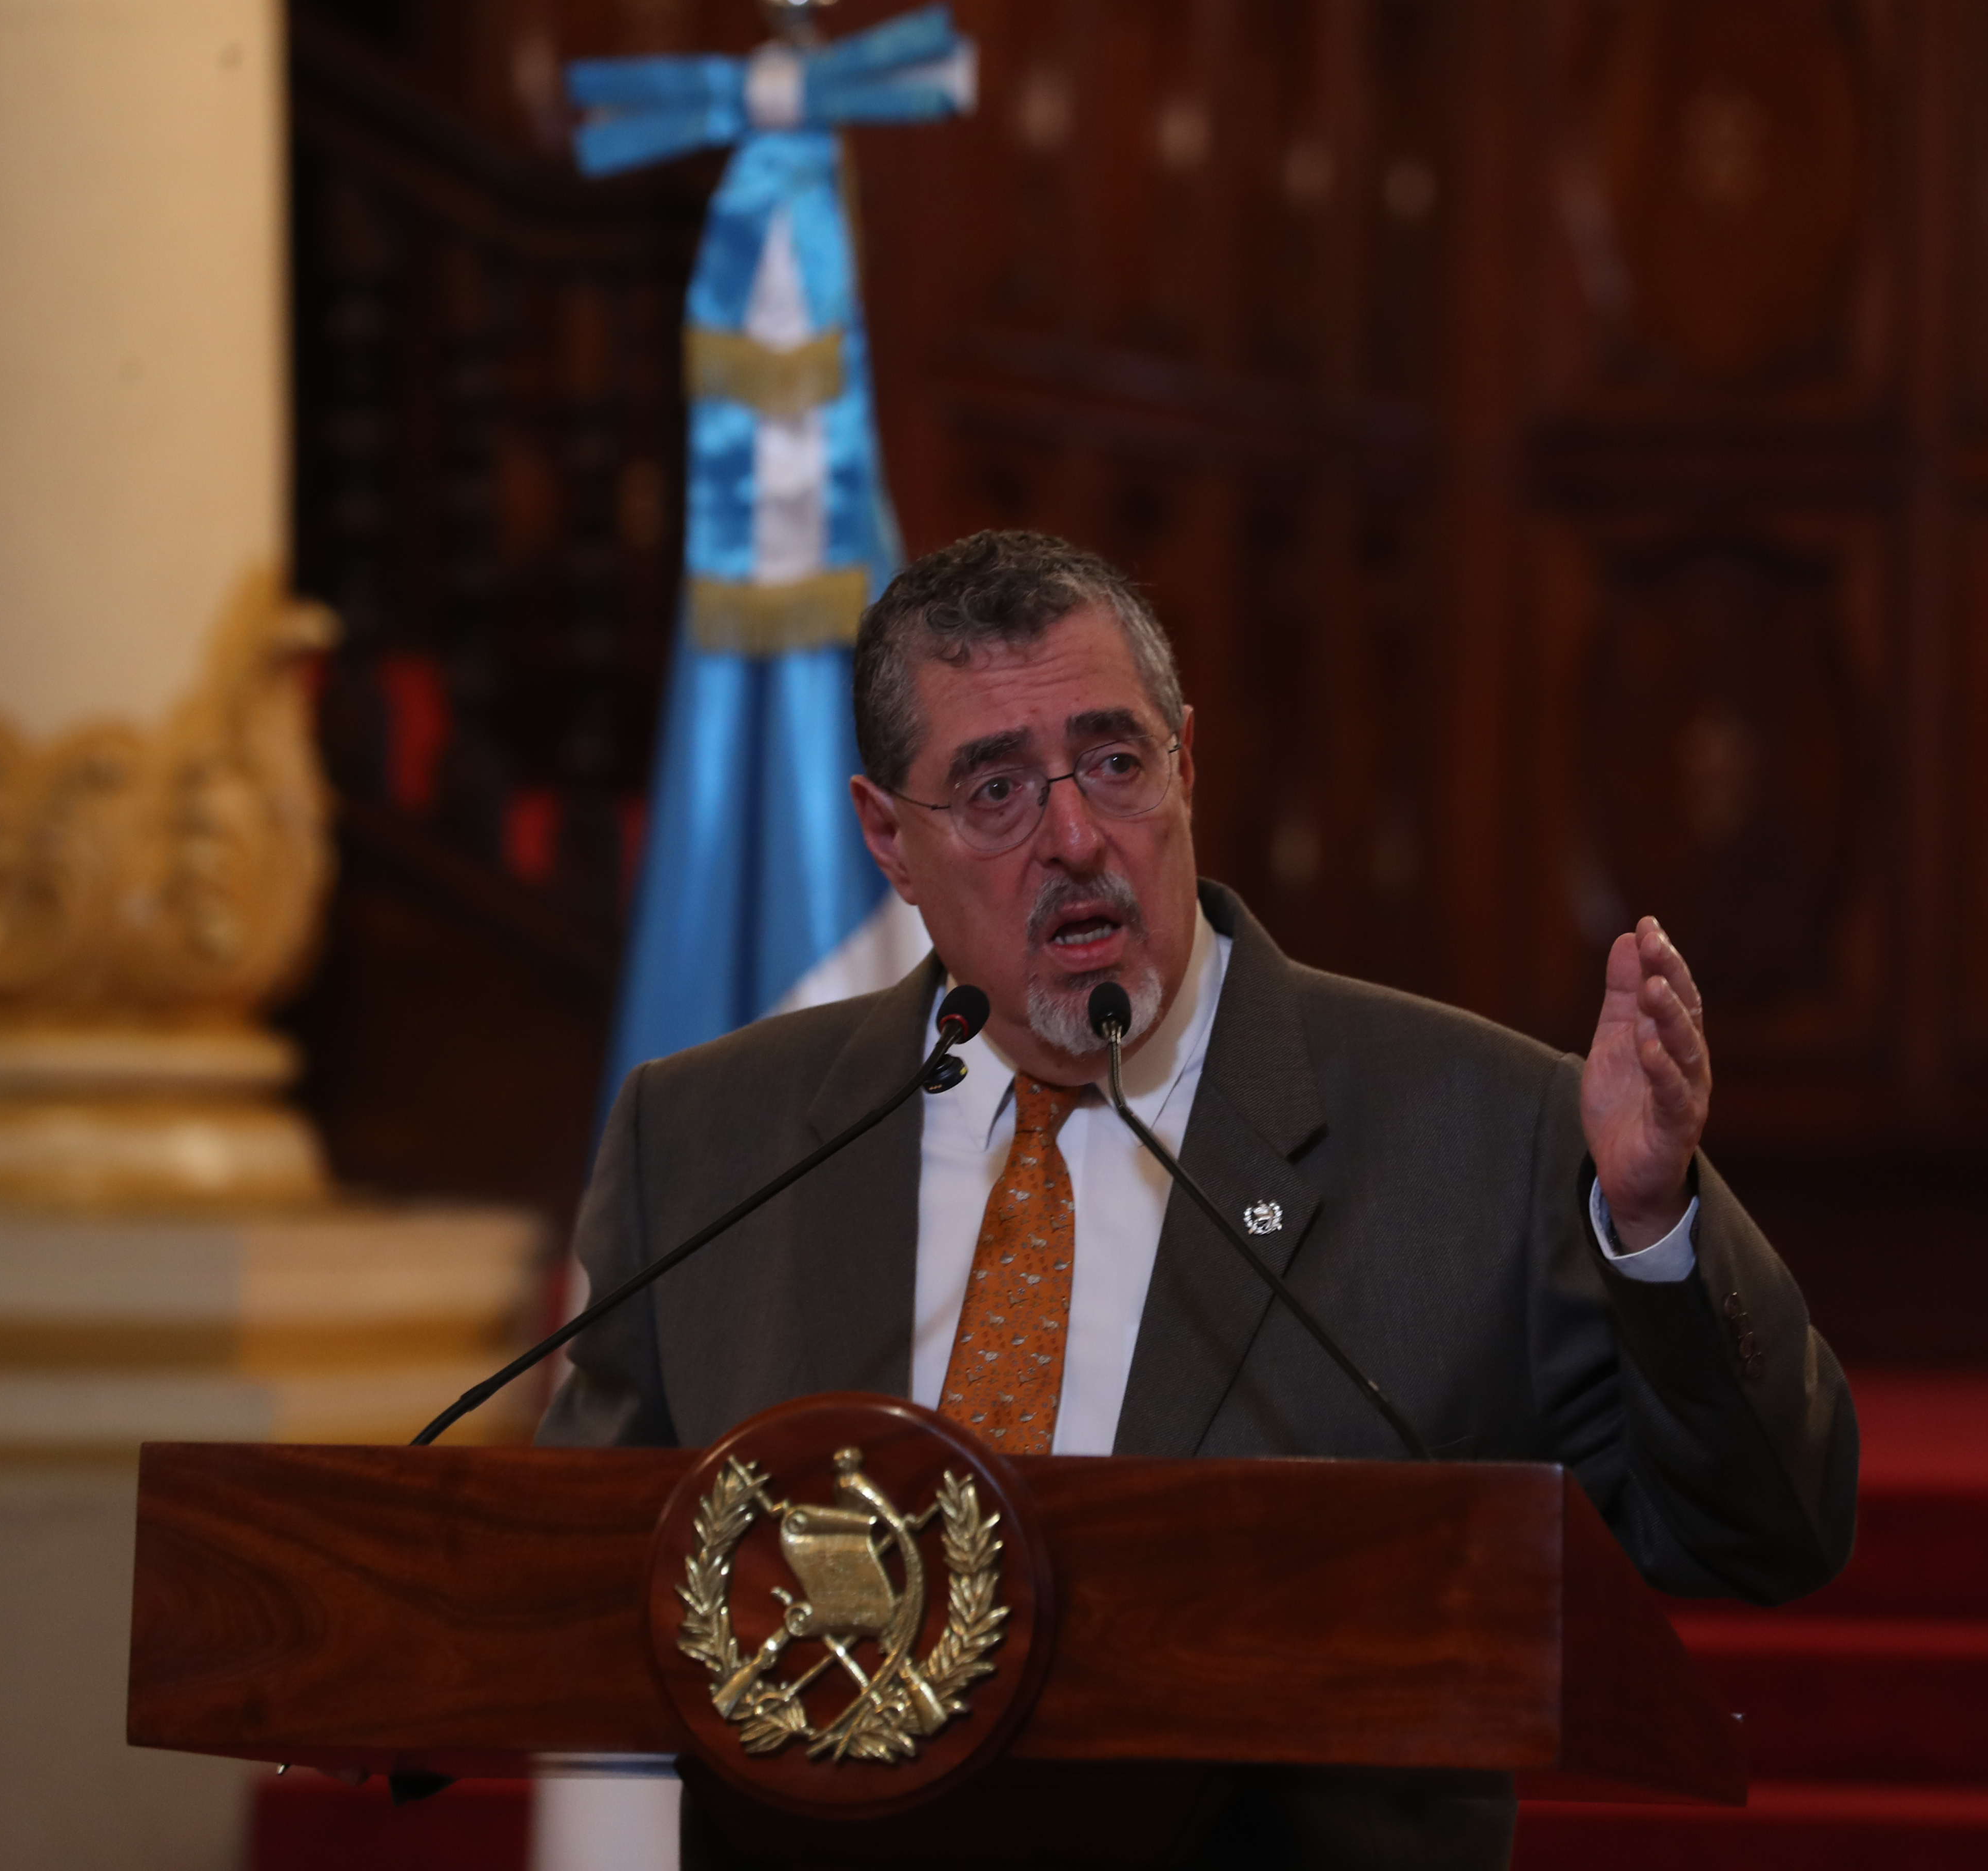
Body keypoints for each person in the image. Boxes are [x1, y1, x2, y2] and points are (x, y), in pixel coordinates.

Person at [540, 529, 1858, 1869]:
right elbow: (570, 1601)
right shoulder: (709, 1142)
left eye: (1115, 763)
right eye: (994, 790)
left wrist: (1653, 1228)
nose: (1073, 838)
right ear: (889, 835)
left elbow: (1765, 1532)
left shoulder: (1480, 1131)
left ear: (1188, 763)